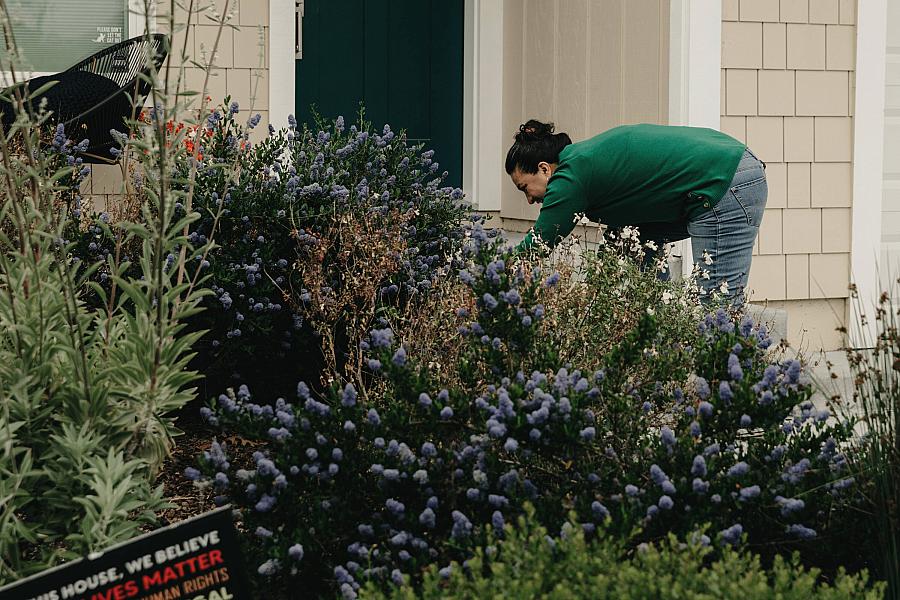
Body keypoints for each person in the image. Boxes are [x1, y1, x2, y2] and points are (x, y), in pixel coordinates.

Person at [507, 120, 767, 306]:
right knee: (621, 246)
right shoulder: (583, 162)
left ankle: (727, 381)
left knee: (717, 306)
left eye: (524, 188)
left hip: (726, 181)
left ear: (544, 169)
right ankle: (657, 331)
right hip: (730, 168)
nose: (530, 199)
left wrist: (492, 271)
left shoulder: (569, 176)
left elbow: (540, 242)